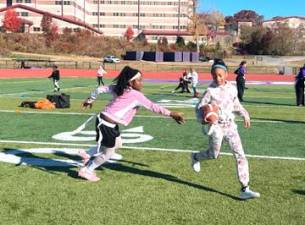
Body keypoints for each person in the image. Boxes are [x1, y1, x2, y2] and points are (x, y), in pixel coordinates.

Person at [78, 66, 185, 182]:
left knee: (118, 143)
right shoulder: (136, 95)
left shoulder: (119, 88)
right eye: (139, 80)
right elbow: (154, 107)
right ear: (131, 82)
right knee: (108, 153)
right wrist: (172, 114)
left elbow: (99, 89)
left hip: (108, 122)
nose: (142, 83)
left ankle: (86, 153)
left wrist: (90, 100)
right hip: (105, 124)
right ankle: (87, 170)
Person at [191, 59, 260, 200]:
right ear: (211, 75)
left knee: (240, 155)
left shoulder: (232, 88)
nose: (218, 78)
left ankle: (245, 188)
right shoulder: (210, 91)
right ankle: (195, 157)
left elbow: (236, 105)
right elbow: (198, 109)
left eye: (220, 75)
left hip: (231, 127)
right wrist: (204, 119)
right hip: (216, 128)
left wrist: (245, 114)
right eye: (215, 75)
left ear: (226, 74)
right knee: (214, 154)